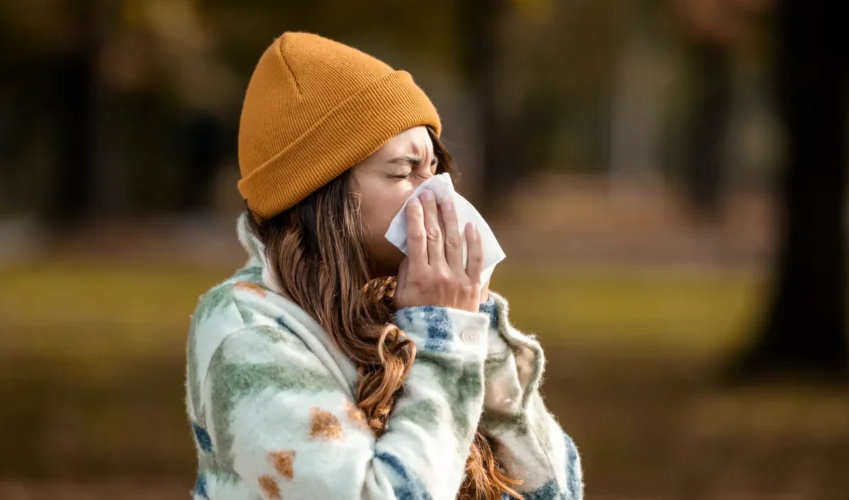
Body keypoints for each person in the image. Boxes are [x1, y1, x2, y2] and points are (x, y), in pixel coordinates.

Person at [184, 32, 582, 499]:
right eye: (401, 171)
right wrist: (444, 340)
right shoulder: (247, 331)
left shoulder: (406, 301)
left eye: (434, 169)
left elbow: (553, 491)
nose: (437, 195)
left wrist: (475, 331)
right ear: (320, 196)